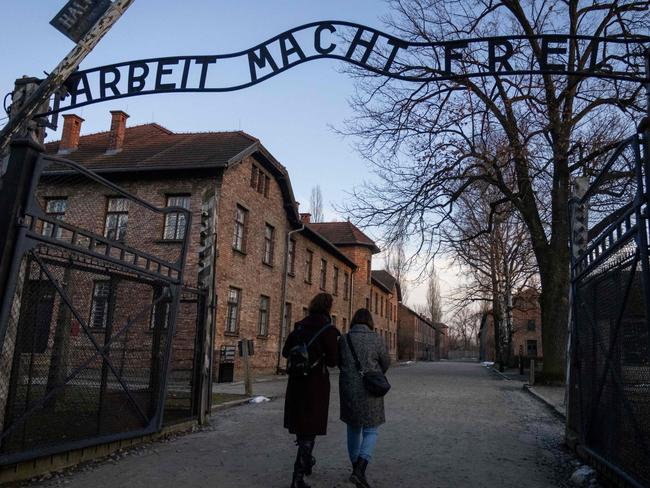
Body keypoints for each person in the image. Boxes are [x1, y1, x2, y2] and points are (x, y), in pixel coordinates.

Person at [282, 293, 339, 488]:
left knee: (302, 425)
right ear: (328, 308)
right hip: (316, 386)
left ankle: (306, 462)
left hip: (296, 384)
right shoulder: (328, 330)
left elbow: (285, 351)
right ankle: (297, 478)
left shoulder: (299, 326)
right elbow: (333, 361)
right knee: (310, 427)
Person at [339, 308, 390, 488]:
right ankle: (360, 470)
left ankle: (356, 469)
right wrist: (374, 374)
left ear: (353, 321)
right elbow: (386, 362)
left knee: (353, 429)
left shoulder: (344, 339)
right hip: (371, 391)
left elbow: (339, 362)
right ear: (369, 322)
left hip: (349, 391)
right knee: (371, 430)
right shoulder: (376, 339)